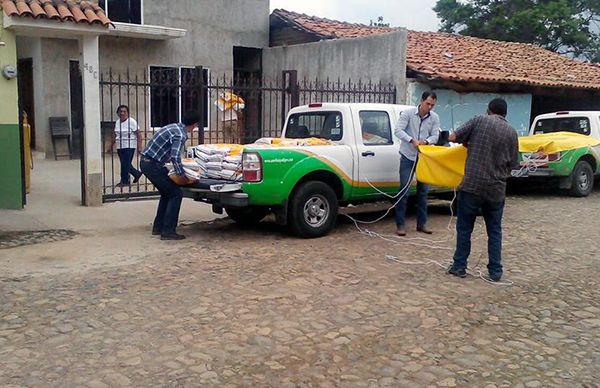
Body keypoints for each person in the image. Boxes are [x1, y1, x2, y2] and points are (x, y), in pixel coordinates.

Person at [447, 98, 519, 282]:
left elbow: (454, 137)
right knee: (494, 231)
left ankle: (459, 266)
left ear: (489, 110)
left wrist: (468, 144)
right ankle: (495, 272)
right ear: (505, 114)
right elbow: (514, 164)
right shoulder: (512, 132)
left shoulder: (478, 120)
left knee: (464, 228)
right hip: (496, 190)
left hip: (472, 186)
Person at [140, 111, 200, 241]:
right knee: (175, 194)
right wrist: (182, 175)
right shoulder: (180, 134)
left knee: (166, 193)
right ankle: (168, 231)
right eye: (195, 126)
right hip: (152, 164)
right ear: (194, 125)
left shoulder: (174, 127)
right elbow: (175, 156)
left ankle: (158, 227)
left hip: (148, 162)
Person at [394, 91, 440, 236]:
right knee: (404, 191)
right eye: (427, 104)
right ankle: (400, 224)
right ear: (421, 101)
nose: (429, 107)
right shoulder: (408, 113)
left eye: (432, 105)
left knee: (423, 192)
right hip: (408, 156)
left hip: (423, 158)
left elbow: (435, 135)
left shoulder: (434, 117)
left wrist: (426, 142)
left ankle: (422, 224)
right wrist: (411, 140)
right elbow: (398, 130)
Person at [111, 105, 143, 187]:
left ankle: (125, 181)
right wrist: (111, 146)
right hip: (120, 146)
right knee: (125, 163)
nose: (122, 113)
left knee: (125, 164)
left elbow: (139, 134)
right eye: (120, 111)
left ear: (128, 113)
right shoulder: (118, 122)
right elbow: (116, 134)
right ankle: (136, 174)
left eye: (124, 111)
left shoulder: (131, 122)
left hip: (129, 146)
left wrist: (140, 147)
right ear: (117, 113)